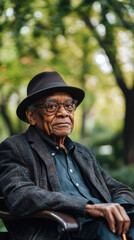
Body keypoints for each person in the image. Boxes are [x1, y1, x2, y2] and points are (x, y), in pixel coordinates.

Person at [0, 71, 134, 240]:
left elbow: (119, 188)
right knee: (104, 230)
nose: (64, 113)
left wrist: (118, 208)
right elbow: (21, 195)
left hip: (103, 222)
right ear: (32, 116)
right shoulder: (15, 147)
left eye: (69, 106)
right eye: (51, 106)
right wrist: (88, 207)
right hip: (62, 231)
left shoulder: (83, 153)